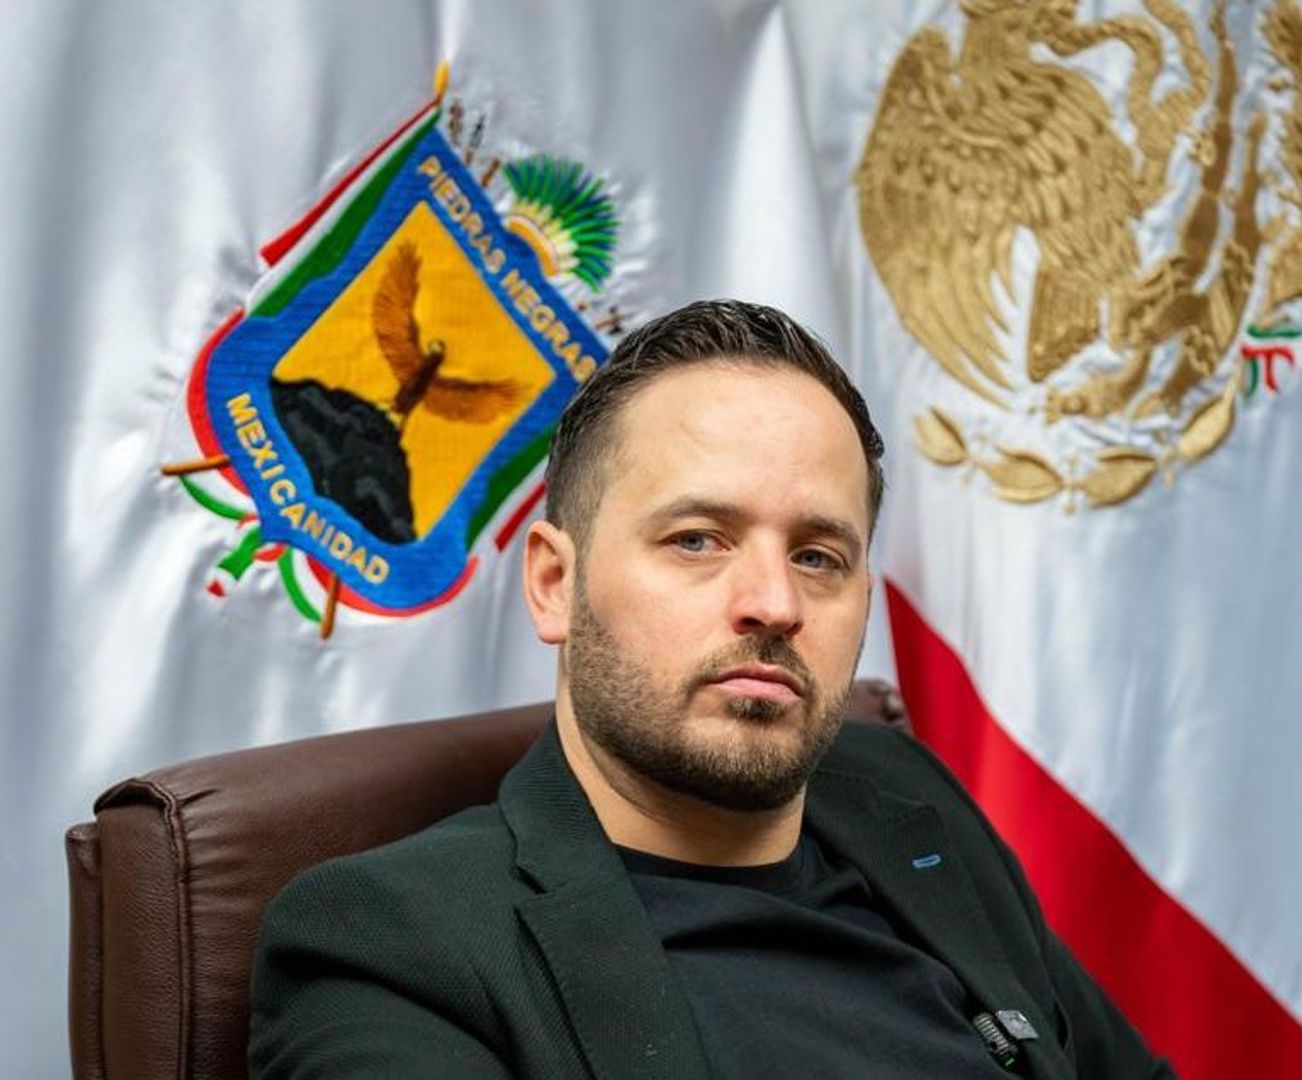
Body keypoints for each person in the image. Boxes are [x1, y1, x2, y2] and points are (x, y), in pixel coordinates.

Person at [250, 300, 1175, 1078]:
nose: (774, 603)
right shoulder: (393, 947)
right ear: (554, 584)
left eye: (818, 556)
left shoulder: (908, 796)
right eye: (697, 540)